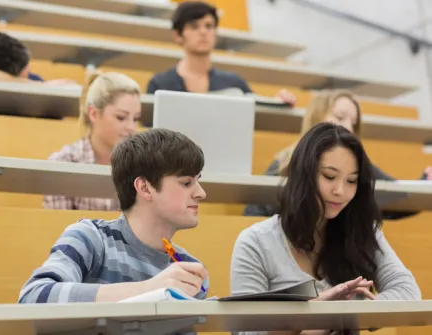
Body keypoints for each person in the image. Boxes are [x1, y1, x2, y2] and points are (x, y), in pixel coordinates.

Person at [231, 123, 421, 335]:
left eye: (351, 181)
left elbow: (407, 292)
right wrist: (311, 316)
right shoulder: (256, 242)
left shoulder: (361, 231)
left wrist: (338, 313)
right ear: (303, 174)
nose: (340, 191)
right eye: (329, 177)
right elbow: (246, 331)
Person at [19, 128, 209, 303]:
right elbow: (33, 297)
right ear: (145, 188)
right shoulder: (90, 237)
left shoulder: (188, 269)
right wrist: (149, 289)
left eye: (197, 181)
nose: (201, 193)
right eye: (186, 183)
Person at [243, 90, 432, 219]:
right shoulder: (285, 163)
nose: (348, 127)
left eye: (353, 122)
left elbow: (394, 198)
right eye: (340, 117)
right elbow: (254, 215)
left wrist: (425, 180)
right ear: (317, 118)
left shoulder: (360, 165)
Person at [146, 1, 295, 104]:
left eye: (209, 26)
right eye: (194, 26)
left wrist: (281, 100)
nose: (203, 32)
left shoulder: (234, 83)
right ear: (178, 35)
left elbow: (262, 107)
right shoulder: (160, 84)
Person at [43, 71, 142, 210]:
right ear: (94, 114)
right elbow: (58, 228)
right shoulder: (63, 162)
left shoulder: (142, 168)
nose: (132, 127)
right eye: (121, 117)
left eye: (136, 119)